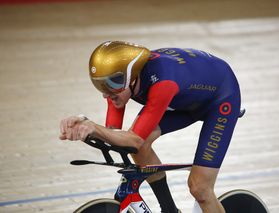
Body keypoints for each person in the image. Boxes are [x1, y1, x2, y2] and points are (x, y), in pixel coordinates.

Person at [59, 41, 241, 213]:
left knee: (199, 188)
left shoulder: (162, 82)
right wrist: (83, 123)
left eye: (112, 84)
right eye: (101, 85)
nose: (106, 94)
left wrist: (94, 127)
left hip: (220, 100)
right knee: (138, 145)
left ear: (131, 76)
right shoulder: (118, 85)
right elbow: (114, 134)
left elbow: (133, 140)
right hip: (184, 100)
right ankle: (170, 210)